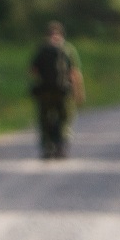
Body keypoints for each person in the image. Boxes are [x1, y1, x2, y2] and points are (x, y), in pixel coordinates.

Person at [27, 22, 83, 161]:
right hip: (63, 91)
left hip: (44, 91)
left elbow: (33, 70)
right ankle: (61, 147)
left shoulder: (42, 49)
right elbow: (74, 73)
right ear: (62, 34)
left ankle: (47, 147)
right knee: (64, 119)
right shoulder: (67, 49)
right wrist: (78, 92)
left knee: (45, 119)